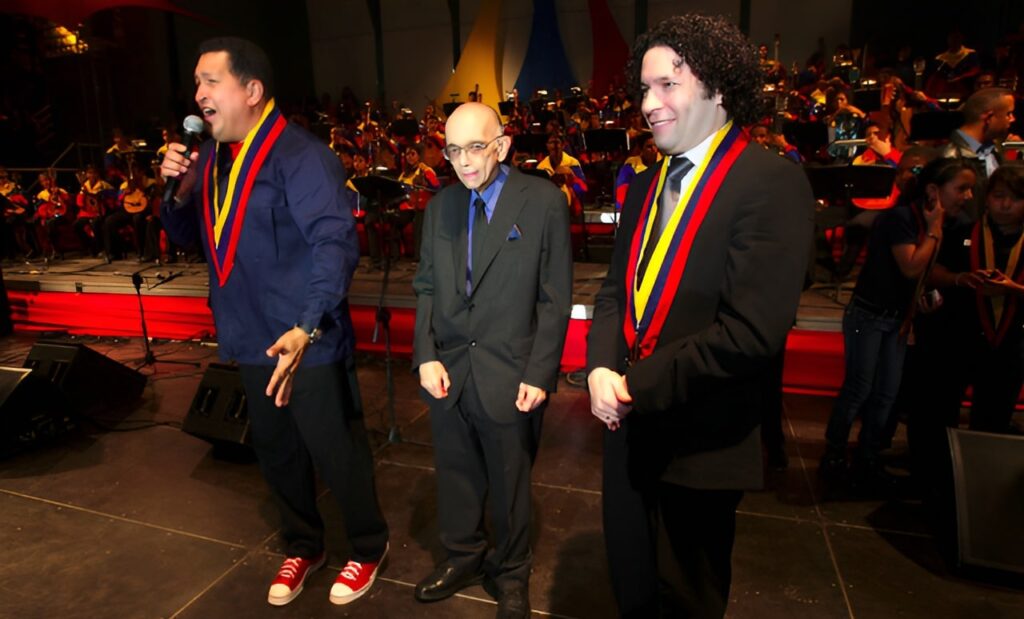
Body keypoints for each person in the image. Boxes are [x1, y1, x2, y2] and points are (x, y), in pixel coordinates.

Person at [586, 14, 814, 618]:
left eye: (668, 85)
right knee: (631, 587)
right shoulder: (641, 183)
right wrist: (598, 371)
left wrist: (634, 383)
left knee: (687, 598)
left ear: (716, 87)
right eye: (642, 89)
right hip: (625, 429)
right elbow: (613, 293)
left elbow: (750, 333)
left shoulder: (770, 183)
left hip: (701, 441)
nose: (648, 103)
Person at [158, 36, 388, 608]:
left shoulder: (301, 157)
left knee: (335, 449)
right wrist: (176, 194)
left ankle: (367, 547)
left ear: (252, 91)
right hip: (252, 336)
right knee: (276, 449)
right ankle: (303, 543)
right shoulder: (209, 160)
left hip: (306, 341)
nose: (198, 94)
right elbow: (190, 239)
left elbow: (335, 245)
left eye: (211, 81)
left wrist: (308, 326)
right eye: (196, 83)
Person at [411, 102, 572, 619]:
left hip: (511, 372)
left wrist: (540, 372)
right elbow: (428, 287)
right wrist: (425, 355)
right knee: (456, 474)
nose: (463, 161)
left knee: (509, 482)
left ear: (501, 145)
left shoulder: (544, 201)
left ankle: (511, 571)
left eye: (475, 147)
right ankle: (462, 556)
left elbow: (554, 297)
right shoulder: (440, 207)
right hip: (450, 370)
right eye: (453, 150)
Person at [819, 156, 962, 492]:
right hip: (869, 315)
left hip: (896, 318)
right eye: (962, 189)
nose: (968, 196)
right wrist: (935, 231)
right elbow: (912, 267)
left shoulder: (930, 221)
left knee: (886, 393)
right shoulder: (901, 218)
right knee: (859, 389)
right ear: (933, 190)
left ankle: (868, 458)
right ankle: (835, 455)